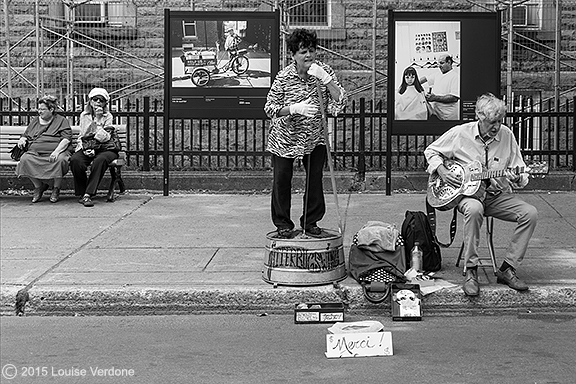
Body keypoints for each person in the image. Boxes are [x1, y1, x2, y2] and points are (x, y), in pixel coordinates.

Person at [424, 93, 538, 296]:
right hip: (468, 196)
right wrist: (441, 170)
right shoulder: (460, 133)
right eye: (492, 122)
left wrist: (517, 178)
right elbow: (431, 151)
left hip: (496, 196)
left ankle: (507, 269)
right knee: (475, 209)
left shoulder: (506, 135)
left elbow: (520, 169)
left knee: (530, 213)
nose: (496, 127)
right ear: (479, 116)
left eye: (500, 121)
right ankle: (471, 270)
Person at [264, 29, 347, 239]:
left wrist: (327, 80)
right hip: (285, 137)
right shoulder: (283, 77)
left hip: (314, 137)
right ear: (293, 54)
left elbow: (340, 101)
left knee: (314, 180)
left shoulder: (323, 72)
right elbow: (270, 108)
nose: (308, 55)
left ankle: (310, 222)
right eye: (303, 51)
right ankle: (283, 223)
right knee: (282, 179)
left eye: (311, 50)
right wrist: (293, 108)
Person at [15, 95, 72, 203]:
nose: (39, 112)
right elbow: (27, 134)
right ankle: (39, 186)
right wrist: (22, 139)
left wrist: (56, 151)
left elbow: (66, 139)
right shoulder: (35, 121)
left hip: (56, 151)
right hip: (35, 152)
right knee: (25, 159)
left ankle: (56, 188)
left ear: (51, 109)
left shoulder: (61, 120)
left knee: (60, 160)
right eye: (39, 109)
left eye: (42, 109)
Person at [71, 88, 121, 207]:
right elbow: (84, 135)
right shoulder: (84, 115)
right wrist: (86, 148)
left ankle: (88, 194)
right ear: (90, 101)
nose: (98, 102)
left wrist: (98, 120)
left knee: (100, 160)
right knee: (75, 160)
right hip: (88, 146)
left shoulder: (108, 116)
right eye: (95, 99)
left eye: (101, 100)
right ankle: (82, 192)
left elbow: (104, 138)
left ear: (105, 103)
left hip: (106, 148)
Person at [420, 54, 460, 120]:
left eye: (441, 63)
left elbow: (454, 97)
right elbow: (425, 78)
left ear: (449, 62)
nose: (439, 66)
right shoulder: (438, 74)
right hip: (436, 113)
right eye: (438, 63)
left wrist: (435, 98)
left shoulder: (455, 77)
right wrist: (414, 83)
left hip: (448, 116)